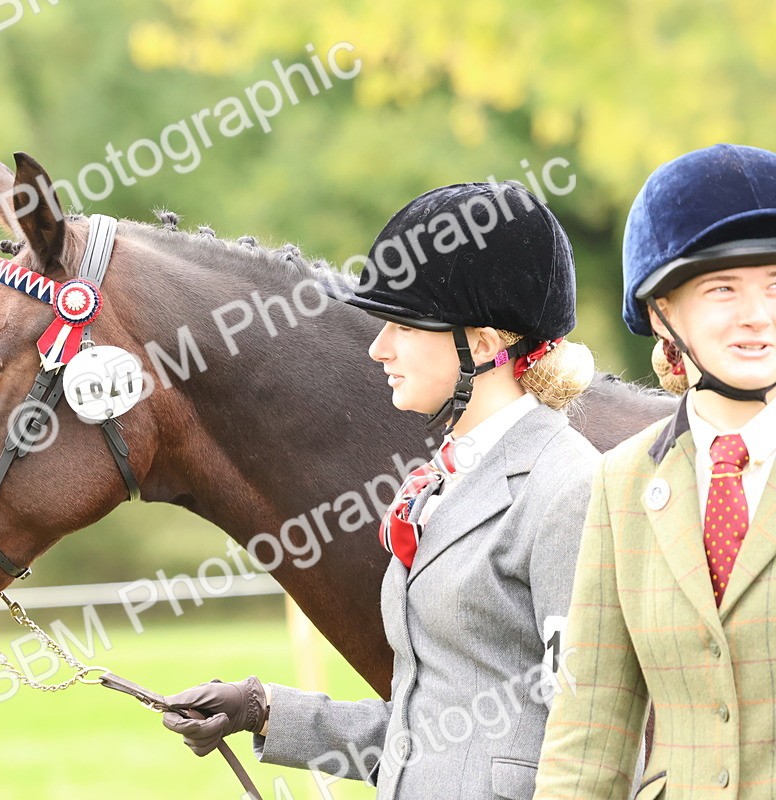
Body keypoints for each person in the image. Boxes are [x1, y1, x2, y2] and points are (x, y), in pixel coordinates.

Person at [159, 182, 600, 799]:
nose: (378, 347)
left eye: (404, 325)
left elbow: (594, 732)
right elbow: (433, 733)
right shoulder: (452, 475)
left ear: (482, 341)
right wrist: (264, 711)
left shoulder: (567, 486)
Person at [533, 143, 776, 800]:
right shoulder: (623, 482)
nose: (759, 314)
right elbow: (589, 732)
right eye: (723, 288)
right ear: (664, 314)